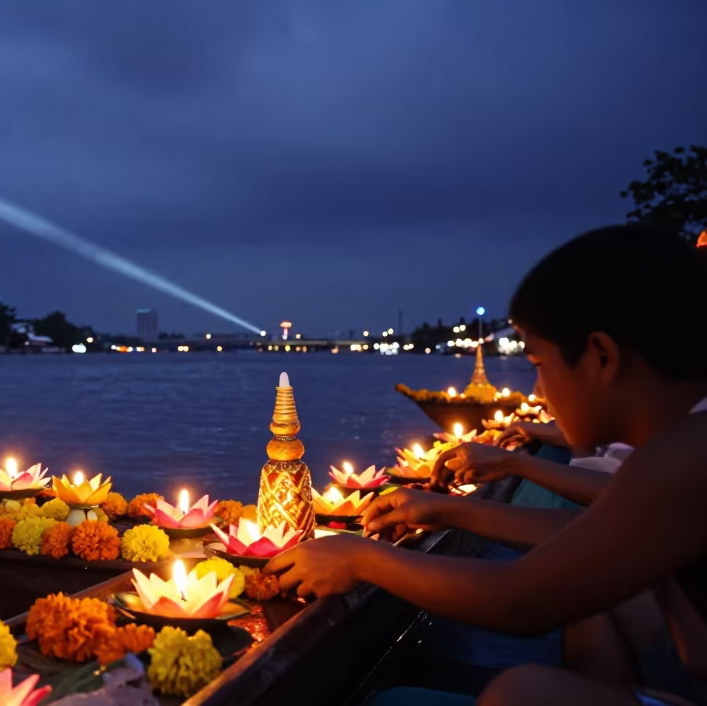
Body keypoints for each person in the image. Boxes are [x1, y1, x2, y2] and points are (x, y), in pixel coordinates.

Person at [265, 224, 707, 705]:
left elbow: (520, 601)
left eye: (539, 365)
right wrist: (447, 511)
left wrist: (366, 559)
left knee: (520, 692)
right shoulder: (677, 447)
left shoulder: (688, 455)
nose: (537, 395)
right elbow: (588, 534)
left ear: (602, 357)